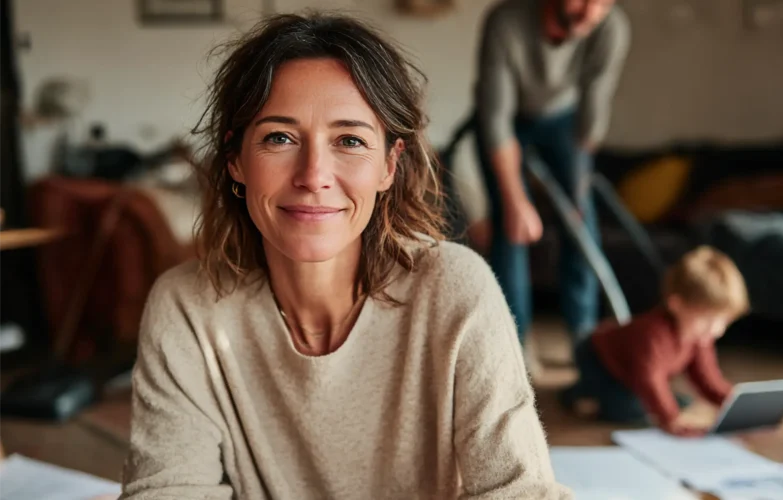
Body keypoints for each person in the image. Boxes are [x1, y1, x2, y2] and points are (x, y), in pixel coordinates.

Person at [120, 13, 571, 500]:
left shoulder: (456, 290)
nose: (314, 175)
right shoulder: (186, 308)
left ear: (388, 166)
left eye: (350, 141)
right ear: (235, 159)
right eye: (279, 137)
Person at [474, 0, 631, 348]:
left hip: (565, 120)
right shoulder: (506, 21)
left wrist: (576, 191)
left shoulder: (610, 28)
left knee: (580, 223)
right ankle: (514, 345)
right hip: (507, 118)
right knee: (511, 228)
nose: (591, 13)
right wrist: (516, 200)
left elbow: (593, 112)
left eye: (603, 3)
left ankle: (585, 342)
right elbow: (496, 119)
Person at [561, 246, 750, 436]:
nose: (717, 330)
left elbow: (706, 377)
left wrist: (734, 401)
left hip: (634, 373)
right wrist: (671, 417)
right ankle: (580, 392)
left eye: (723, 321)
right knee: (629, 410)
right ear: (677, 305)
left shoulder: (699, 337)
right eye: (707, 320)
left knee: (667, 403)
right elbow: (650, 379)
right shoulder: (653, 335)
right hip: (597, 358)